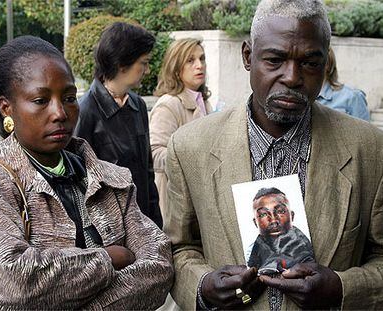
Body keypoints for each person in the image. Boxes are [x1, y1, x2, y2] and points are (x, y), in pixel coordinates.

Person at [163, 0, 383, 310]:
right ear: (248, 56)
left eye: (310, 62)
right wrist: (203, 287)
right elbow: (179, 248)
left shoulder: (370, 150)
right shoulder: (189, 147)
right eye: (275, 59)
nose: (292, 77)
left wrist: (342, 288)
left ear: (325, 65)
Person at [0, 35, 173, 310]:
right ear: (7, 107)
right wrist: (108, 259)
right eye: (41, 100)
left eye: (68, 98)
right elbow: (17, 280)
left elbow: (159, 267)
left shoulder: (110, 179)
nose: (60, 113)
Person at [75, 22, 162, 228]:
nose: (147, 70)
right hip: (107, 227)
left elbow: (147, 172)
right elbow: (78, 182)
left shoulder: (138, 105)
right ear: (122, 65)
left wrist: (156, 223)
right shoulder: (85, 111)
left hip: (142, 220)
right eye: (143, 63)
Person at [150, 38, 212, 215]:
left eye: (202, 58)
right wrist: (191, 157)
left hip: (199, 197)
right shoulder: (168, 105)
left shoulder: (203, 101)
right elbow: (155, 154)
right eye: (190, 60)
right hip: (176, 205)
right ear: (176, 68)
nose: (199, 65)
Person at [247, 187, 315, 275]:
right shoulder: (255, 249)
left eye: (280, 211)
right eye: (263, 214)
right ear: (255, 223)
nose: (274, 220)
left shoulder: (303, 247)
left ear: (292, 216)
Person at [317, 47, 370, 121]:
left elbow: (365, 131)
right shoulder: (302, 97)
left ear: (327, 65)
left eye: (312, 63)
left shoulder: (352, 97)